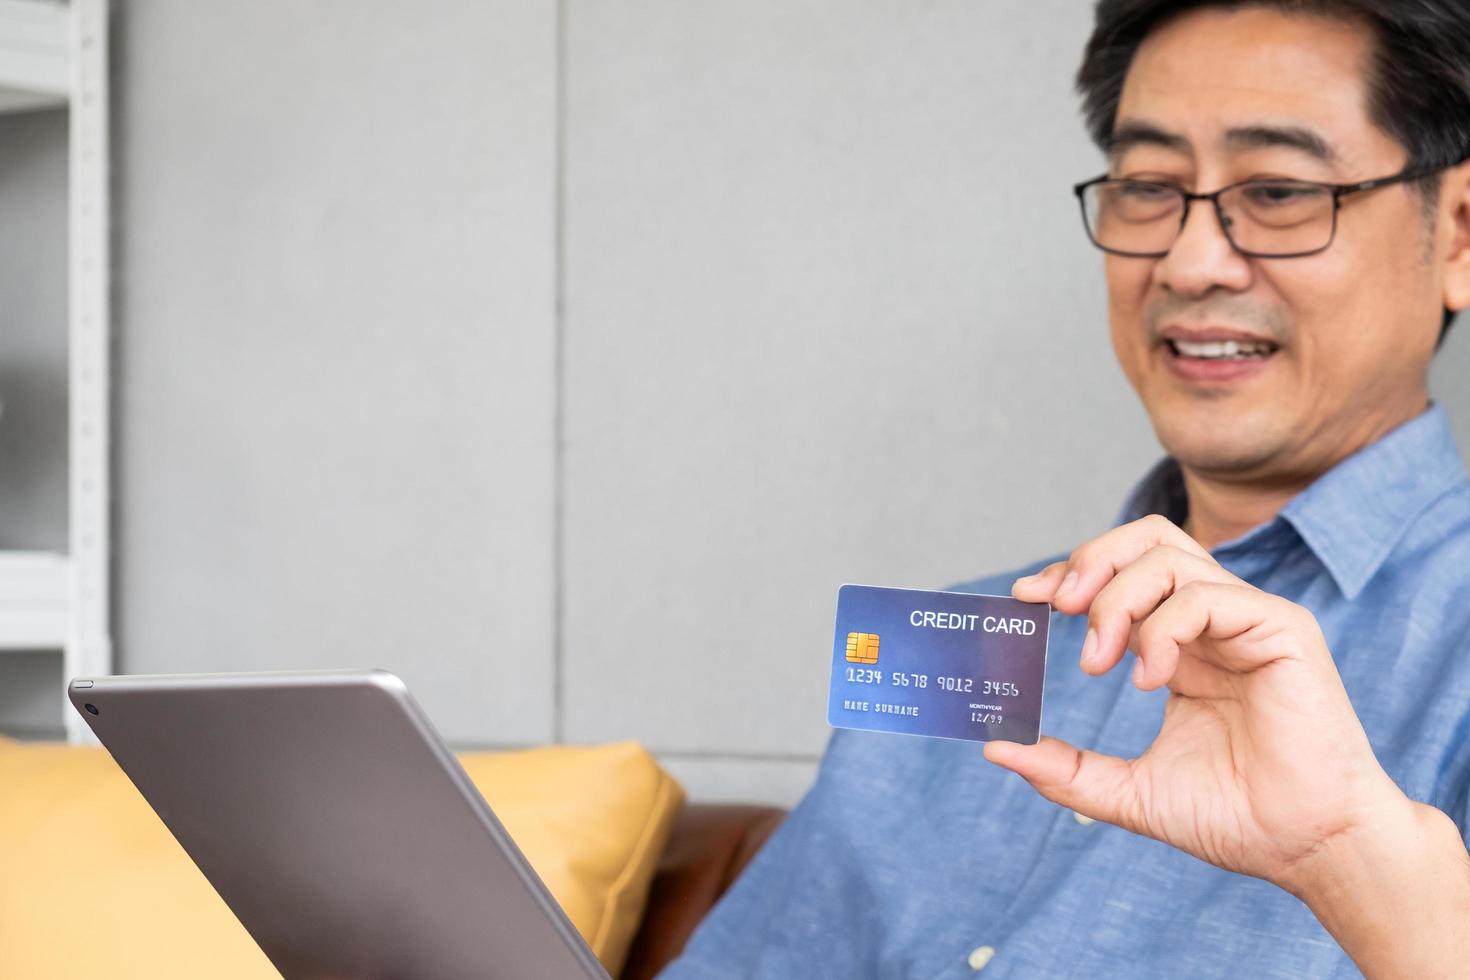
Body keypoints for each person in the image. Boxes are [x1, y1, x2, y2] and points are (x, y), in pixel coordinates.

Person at [662, 1, 1470, 977]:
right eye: (1148, 185)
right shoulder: (962, 632)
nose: (1190, 261)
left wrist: (1351, 862)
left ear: (1459, 232)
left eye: (1279, 189)